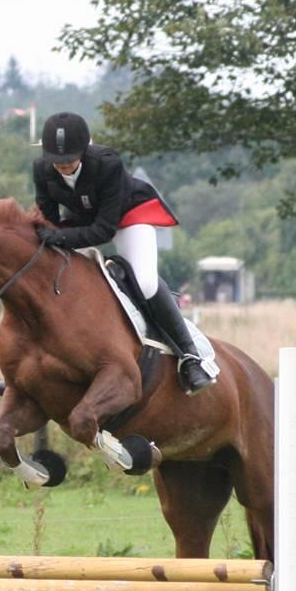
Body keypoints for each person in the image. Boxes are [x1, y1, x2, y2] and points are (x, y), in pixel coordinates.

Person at [33, 111, 216, 395]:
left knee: (144, 282)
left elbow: (104, 230)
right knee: (49, 280)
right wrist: (48, 238)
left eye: (69, 159)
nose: (63, 166)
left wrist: (59, 236)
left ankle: (190, 357)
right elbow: (48, 217)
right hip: (81, 221)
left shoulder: (106, 163)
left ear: (84, 150)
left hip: (127, 218)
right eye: (57, 161)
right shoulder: (42, 169)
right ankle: (30, 365)